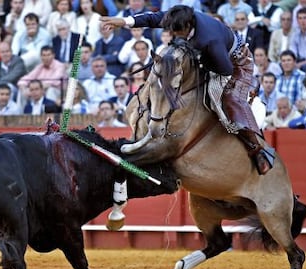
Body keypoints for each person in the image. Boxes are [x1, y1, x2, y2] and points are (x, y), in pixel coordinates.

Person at [101, 4, 272, 174]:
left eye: (177, 33)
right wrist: (123, 21)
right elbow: (152, 19)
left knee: (230, 99)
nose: (174, 35)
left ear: (188, 27)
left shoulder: (209, 40)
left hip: (235, 63)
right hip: (208, 54)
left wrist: (200, 62)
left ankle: (257, 149)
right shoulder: (179, 17)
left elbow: (225, 69)